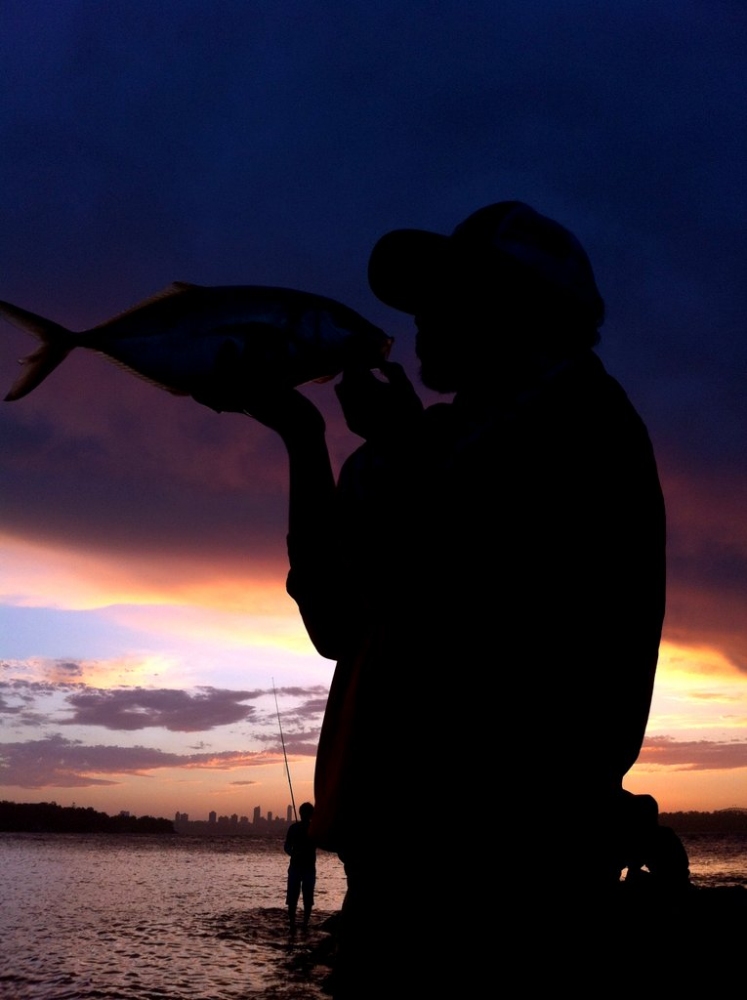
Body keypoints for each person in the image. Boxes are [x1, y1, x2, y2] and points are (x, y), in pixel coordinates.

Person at [194, 201, 668, 993]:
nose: (417, 318)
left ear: (517, 310)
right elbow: (335, 620)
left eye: (447, 295)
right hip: (390, 892)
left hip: (511, 899)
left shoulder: (590, 430)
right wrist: (303, 439)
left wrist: (402, 447)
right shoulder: (428, 444)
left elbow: (498, 609)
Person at [283, 801, 317, 930]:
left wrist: (292, 852)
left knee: (303, 898)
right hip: (299, 868)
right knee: (295, 898)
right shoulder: (294, 828)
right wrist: (293, 853)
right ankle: (296, 924)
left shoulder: (312, 828)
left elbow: (286, 847)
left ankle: (301, 925)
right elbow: (287, 847)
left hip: (305, 868)